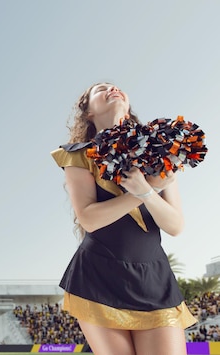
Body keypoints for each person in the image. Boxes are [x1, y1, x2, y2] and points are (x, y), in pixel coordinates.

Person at [51, 83, 197, 355]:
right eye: (100, 89)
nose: (112, 88)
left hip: (154, 280)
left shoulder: (159, 151)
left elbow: (175, 225)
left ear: (129, 107)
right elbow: (89, 219)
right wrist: (145, 190)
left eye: (116, 87)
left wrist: (146, 192)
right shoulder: (79, 154)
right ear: (88, 113)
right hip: (97, 279)